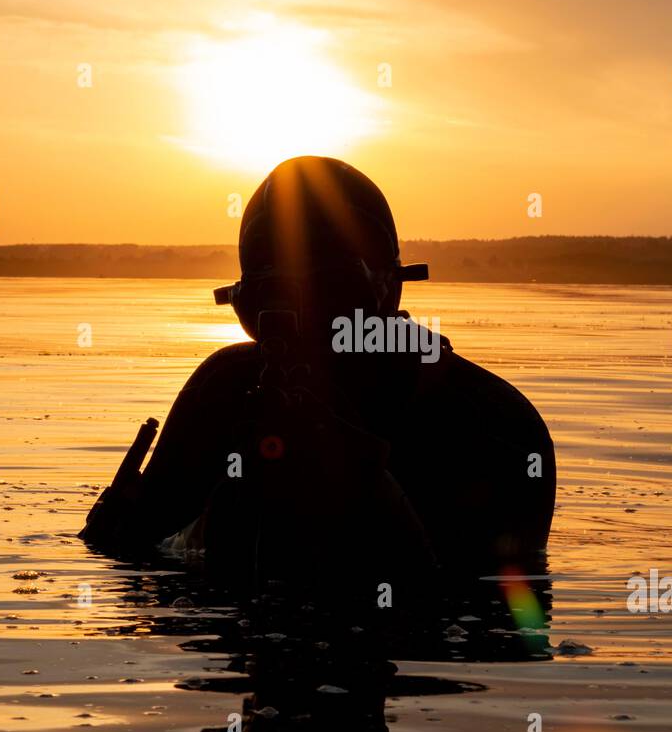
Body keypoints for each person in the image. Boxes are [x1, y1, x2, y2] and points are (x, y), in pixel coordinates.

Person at [81, 156, 555, 599]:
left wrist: (364, 486)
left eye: (334, 297)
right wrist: (217, 520)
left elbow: (501, 610)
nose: (305, 325)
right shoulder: (224, 391)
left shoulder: (488, 423)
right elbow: (133, 559)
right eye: (274, 300)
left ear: (390, 289)